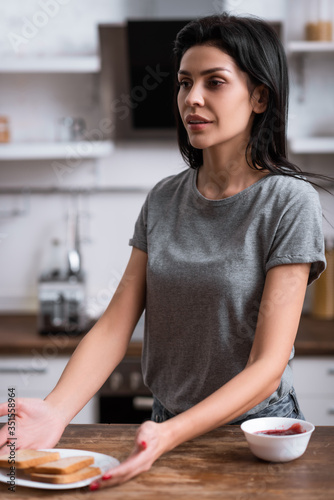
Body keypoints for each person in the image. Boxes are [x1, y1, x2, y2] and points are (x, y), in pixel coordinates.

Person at [0, 13, 328, 490]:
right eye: (184, 82)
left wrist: (168, 435)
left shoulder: (288, 202)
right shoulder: (163, 199)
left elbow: (267, 367)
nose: (191, 98)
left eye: (215, 82)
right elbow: (115, 326)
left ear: (260, 96)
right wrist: (55, 410)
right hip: (163, 424)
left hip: (253, 436)